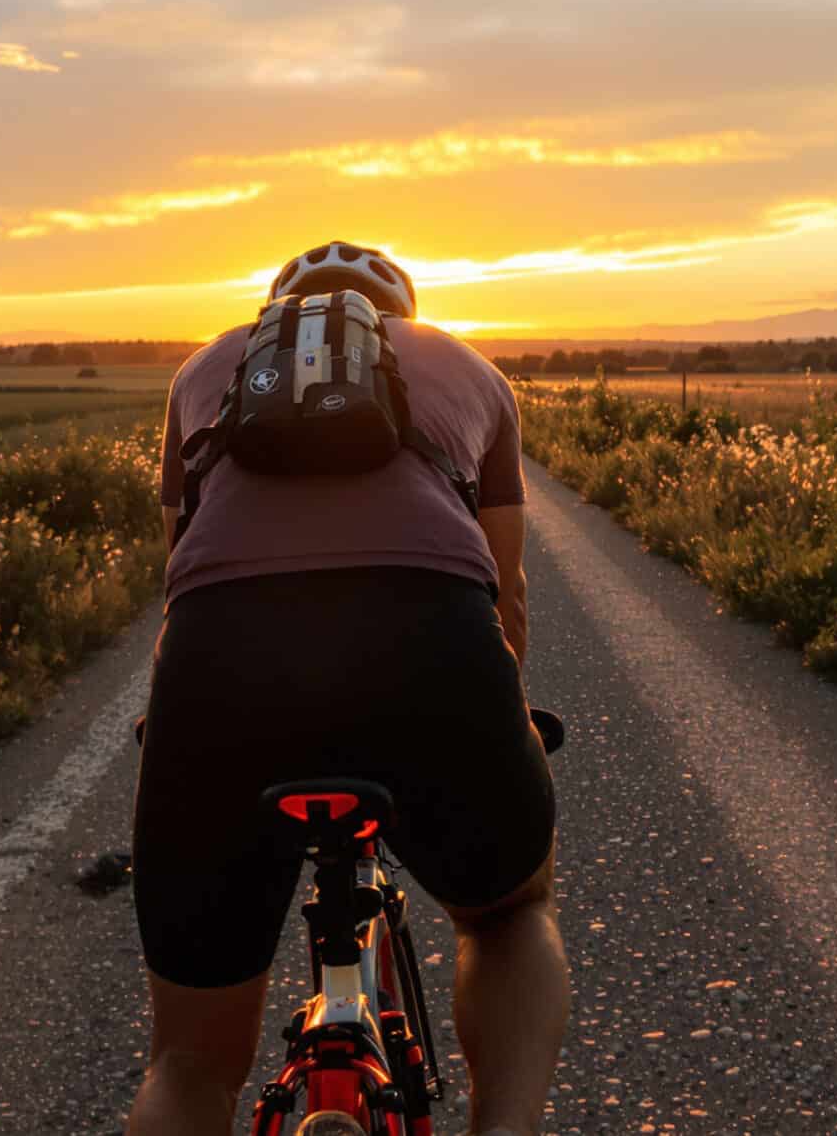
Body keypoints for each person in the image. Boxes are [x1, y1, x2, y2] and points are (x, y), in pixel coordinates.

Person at [125, 241, 567, 1136]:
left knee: (189, 1062)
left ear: (275, 318)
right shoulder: (469, 368)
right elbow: (504, 594)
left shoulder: (202, 372)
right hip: (431, 645)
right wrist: (496, 718)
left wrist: (176, 730)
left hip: (222, 670)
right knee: (510, 915)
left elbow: (183, 576)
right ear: (400, 311)